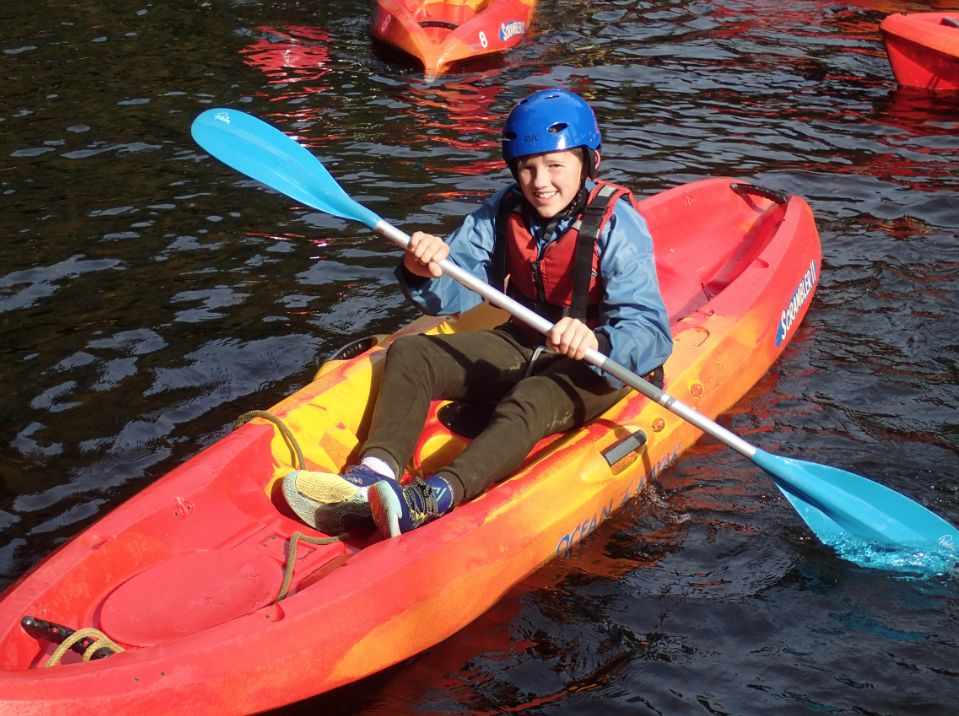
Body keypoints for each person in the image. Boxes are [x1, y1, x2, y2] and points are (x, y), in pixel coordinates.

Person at [283, 88, 673, 539]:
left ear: (588, 162)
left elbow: (650, 330)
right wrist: (420, 268)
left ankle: (437, 496)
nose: (540, 181)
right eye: (527, 167)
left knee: (531, 400)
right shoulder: (503, 210)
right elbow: (453, 292)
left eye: (555, 165)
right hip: (525, 339)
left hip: (603, 364)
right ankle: (374, 474)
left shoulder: (618, 224)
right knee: (411, 354)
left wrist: (597, 342)